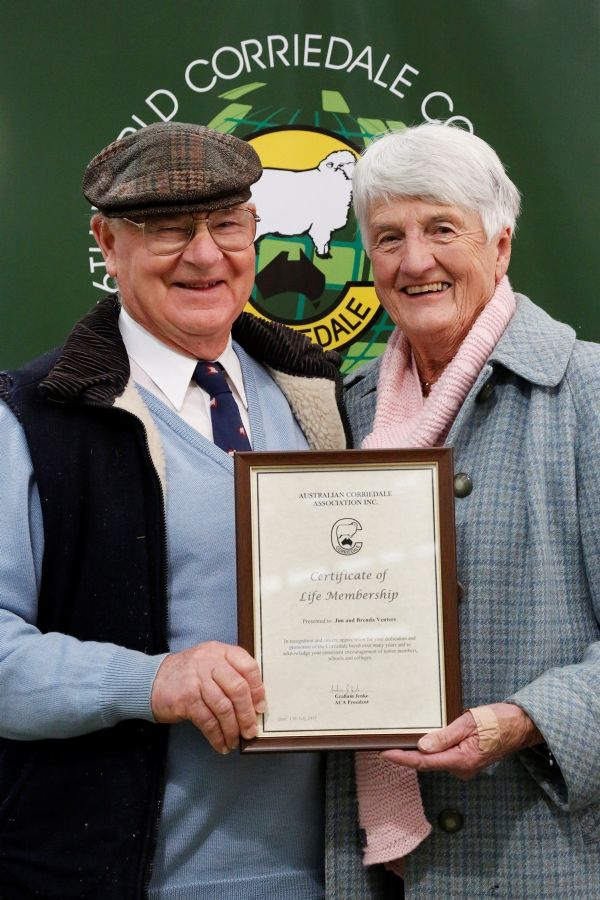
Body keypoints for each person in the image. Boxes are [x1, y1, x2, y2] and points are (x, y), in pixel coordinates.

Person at [0, 122, 388, 900]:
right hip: (126, 880)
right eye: (168, 230)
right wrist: (152, 681)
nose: (206, 254)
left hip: (335, 880)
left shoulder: (321, 398)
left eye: (226, 224)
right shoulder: (34, 419)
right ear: (107, 244)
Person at [342, 122, 600, 897]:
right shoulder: (345, 410)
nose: (413, 260)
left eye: (441, 228)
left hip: (537, 858)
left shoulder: (587, 393)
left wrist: (527, 721)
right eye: (388, 237)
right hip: (379, 870)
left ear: (501, 245)